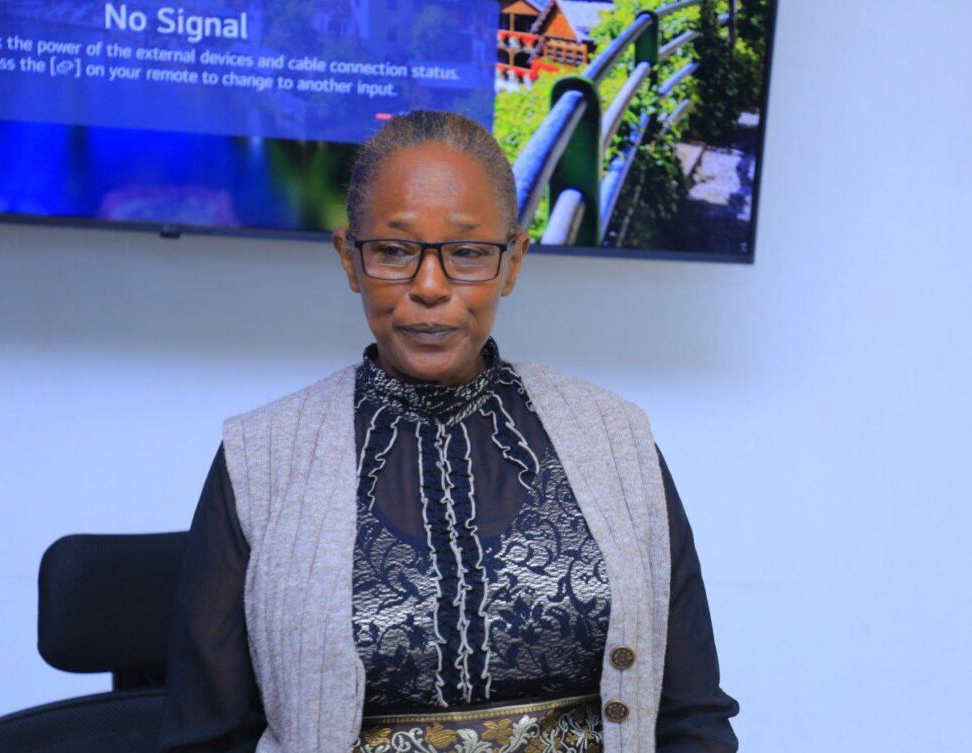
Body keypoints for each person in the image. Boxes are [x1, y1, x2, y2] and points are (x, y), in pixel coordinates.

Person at [157, 110, 738, 753]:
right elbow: (206, 739)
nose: (429, 287)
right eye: (393, 251)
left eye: (466, 253)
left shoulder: (616, 440)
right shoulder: (261, 458)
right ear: (350, 260)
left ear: (512, 263)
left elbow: (692, 718)